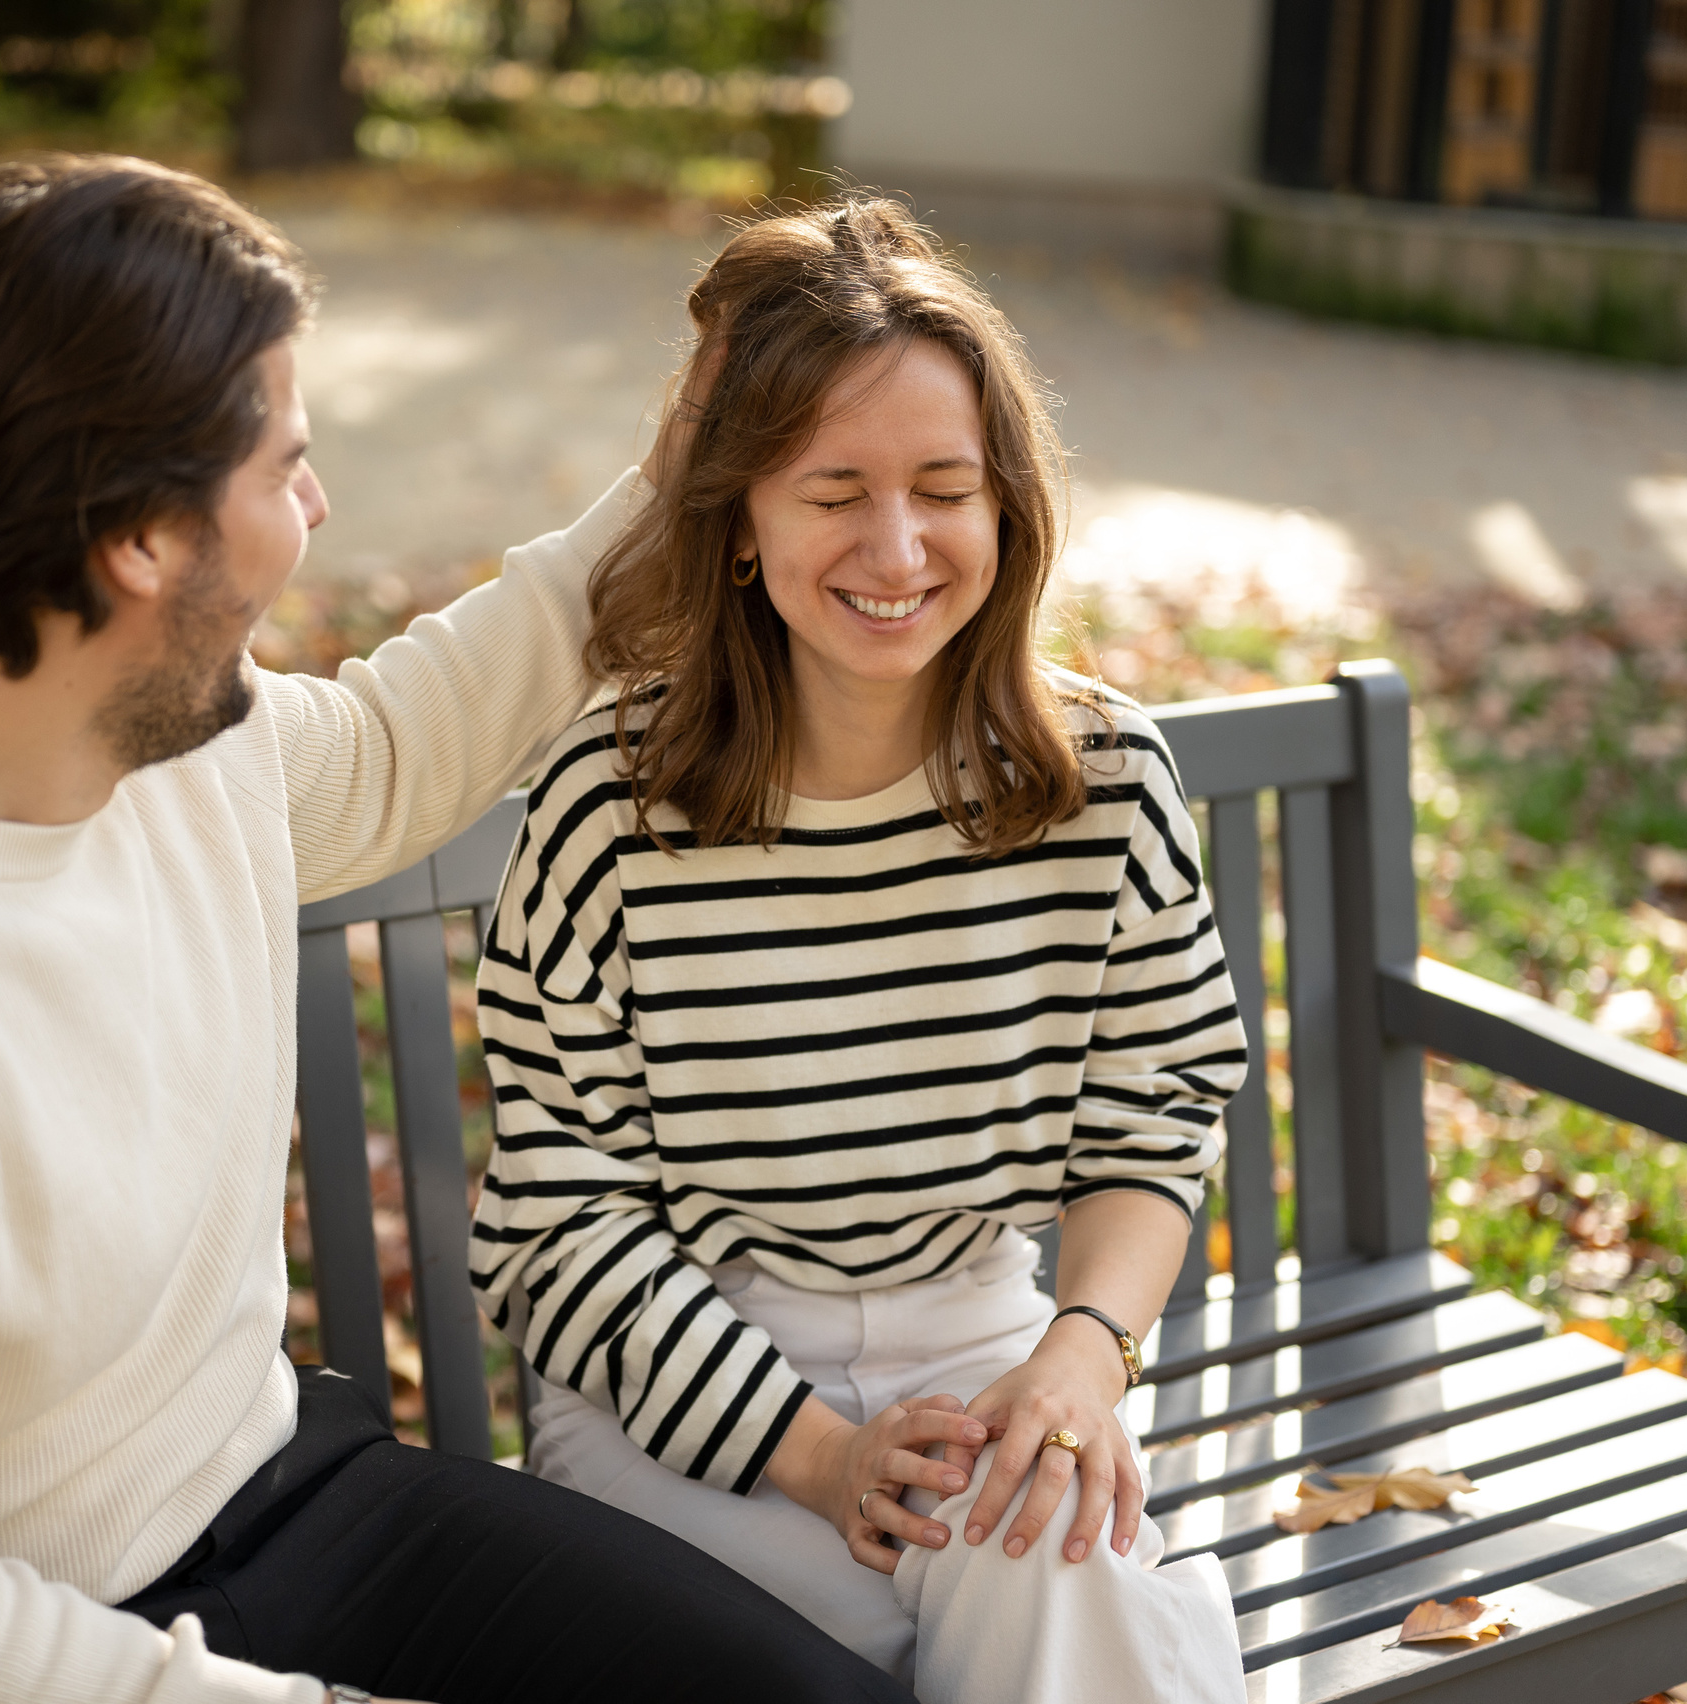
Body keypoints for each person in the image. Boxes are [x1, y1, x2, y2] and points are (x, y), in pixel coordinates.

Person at [0, 155, 917, 1704]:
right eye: (286, 466)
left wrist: (683, 476)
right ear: (139, 536)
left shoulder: (152, 737)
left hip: (264, 1506)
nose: (314, 511)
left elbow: (399, 755)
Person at [468, 195, 1252, 1704]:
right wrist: (824, 1459)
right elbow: (562, 1223)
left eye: (943, 488)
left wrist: (1081, 1358)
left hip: (988, 1340)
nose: (897, 548)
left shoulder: (1103, 780)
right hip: (682, 1397)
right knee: (815, 1657)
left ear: (1006, 507)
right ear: (743, 522)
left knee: (1049, 1573)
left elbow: (1158, 1113)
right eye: (834, 490)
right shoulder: (608, 808)